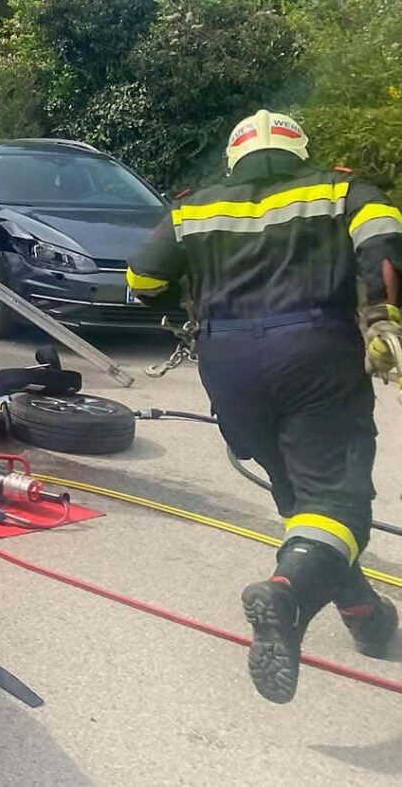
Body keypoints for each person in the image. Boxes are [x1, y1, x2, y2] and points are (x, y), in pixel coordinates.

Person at [128, 110, 402, 703]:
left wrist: (195, 294)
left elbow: (142, 281)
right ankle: (286, 595)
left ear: (234, 157)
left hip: (228, 364)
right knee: (336, 501)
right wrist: (383, 316)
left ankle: (365, 614)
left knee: (301, 499)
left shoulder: (193, 207)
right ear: (299, 149)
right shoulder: (341, 190)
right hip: (315, 351)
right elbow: (384, 244)